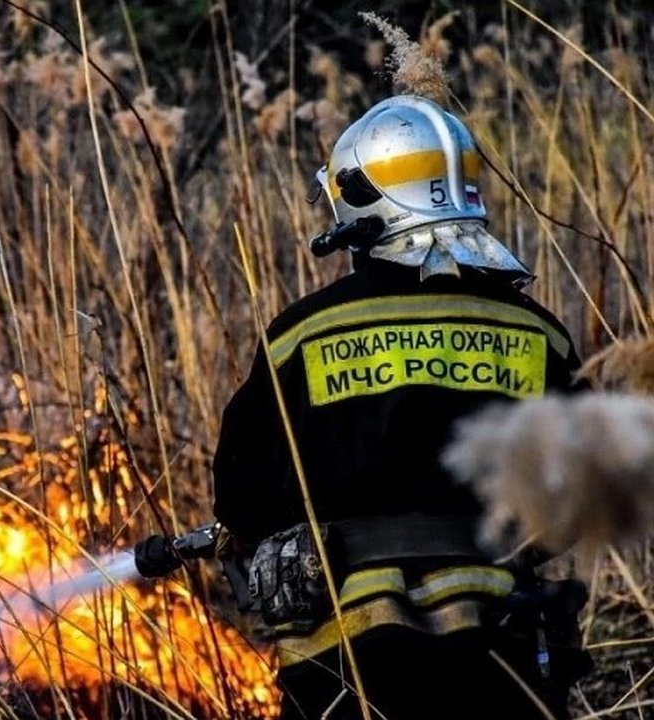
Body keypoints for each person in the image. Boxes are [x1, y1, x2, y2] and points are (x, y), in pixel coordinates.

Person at [136, 95, 591, 719]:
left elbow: (241, 498)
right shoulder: (540, 333)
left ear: (359, 200)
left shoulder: (300, 335)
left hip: (347, 662)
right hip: (502, 651)